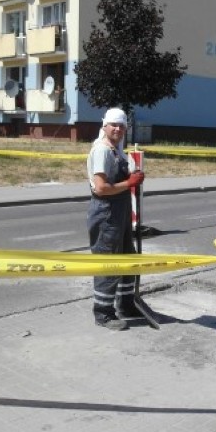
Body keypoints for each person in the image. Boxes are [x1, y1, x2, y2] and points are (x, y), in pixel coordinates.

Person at [86, 107, 145, 330]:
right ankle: (103, 313)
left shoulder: (115, 150)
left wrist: (134, 175)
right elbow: (101, 188)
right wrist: (129, 183)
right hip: (106, 213)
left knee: (128, 259)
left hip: (119, 213)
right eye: (114, 125)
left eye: (121, 125)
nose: (118, 129)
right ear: (105, 126)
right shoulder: (101, 150)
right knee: (108, 264)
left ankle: (126, 304)